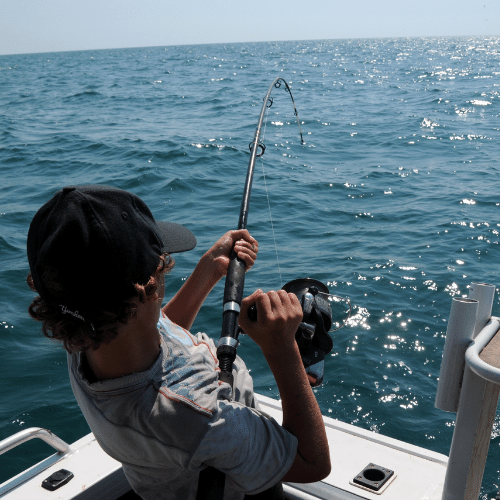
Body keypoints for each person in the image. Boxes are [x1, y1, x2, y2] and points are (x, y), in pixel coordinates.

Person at [26, 184, 331, 499]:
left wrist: (209, 269)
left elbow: (153, 332)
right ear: (145, 290)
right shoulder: (195, 417)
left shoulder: (82, 332)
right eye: (161, 263)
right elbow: (312, 464)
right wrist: (282, 349)